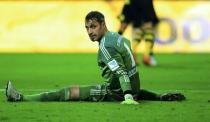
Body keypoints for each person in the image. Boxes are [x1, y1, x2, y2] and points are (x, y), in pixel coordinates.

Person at [5, 11, 185, 104]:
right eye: (87, 28)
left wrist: (128, 97)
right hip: (132, 89)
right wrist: (157, 96)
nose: (90, 32)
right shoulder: (119, 38)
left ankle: (20, 98)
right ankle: (159, 97)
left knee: (66, 93)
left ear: (103, 24)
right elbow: (130, 74)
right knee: (129, 87)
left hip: (114, 93)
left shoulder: (105, 47)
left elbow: (122, 73)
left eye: (93, 26)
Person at [118, 0, 159, 66]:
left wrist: (120, 31)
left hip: (137, 21)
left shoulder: (128, 2)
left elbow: (126, 14)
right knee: (149, 37)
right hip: (148, 20)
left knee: (136, 38)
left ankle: (134, 56)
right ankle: (147, 55)